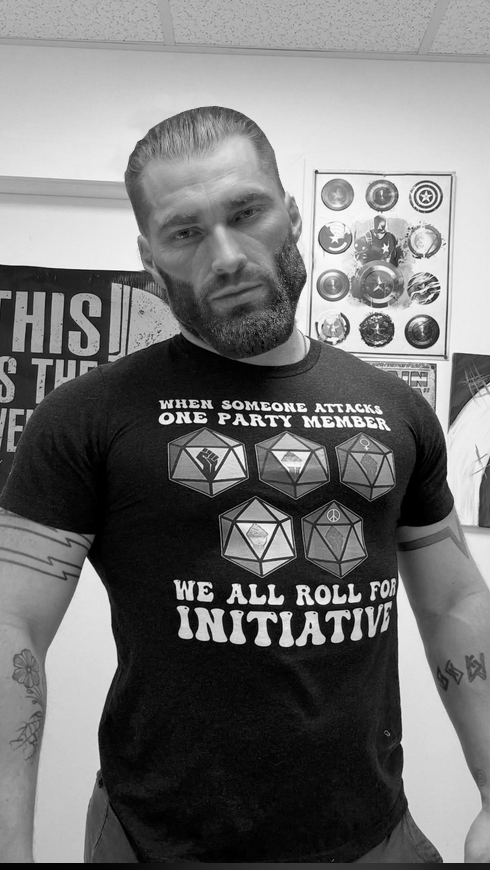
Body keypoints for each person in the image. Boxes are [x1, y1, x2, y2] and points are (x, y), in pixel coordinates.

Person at [0, 106, 489, 865]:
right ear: (149, 259)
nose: (226, 256)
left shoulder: (397, 409)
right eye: (185, 232)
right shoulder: (87, 416)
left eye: (246, 212)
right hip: (153, 843)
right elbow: (11, 628)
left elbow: (456, 602)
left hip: (373, 837)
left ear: (291, 213)